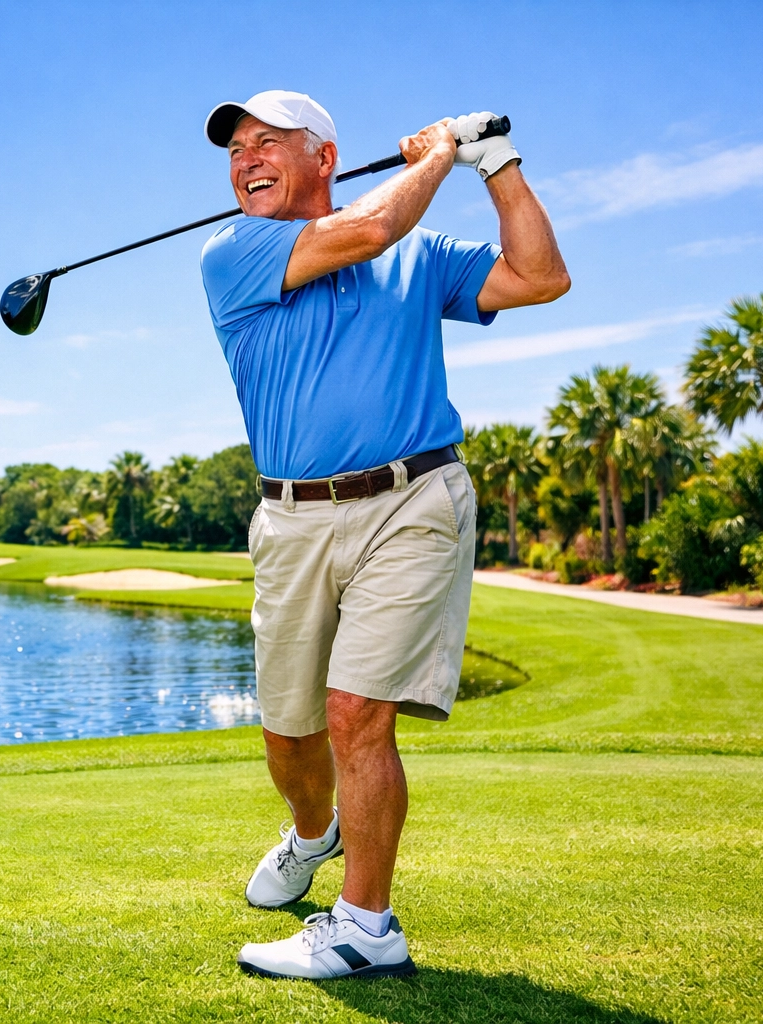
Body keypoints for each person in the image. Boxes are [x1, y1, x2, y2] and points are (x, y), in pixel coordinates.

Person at [198, 91, 569, 980]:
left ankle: (366, 925)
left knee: (357, 714)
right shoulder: (234, 252)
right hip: (290, 517)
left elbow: (540, 277)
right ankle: (310, 830)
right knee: (291, 734)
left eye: (268, 143)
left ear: (324, 155)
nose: (246, 159)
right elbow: (363, 234)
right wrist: (436, 155)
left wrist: (497, 165)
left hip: (414, 498)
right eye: (236, 147)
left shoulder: (419, 251)